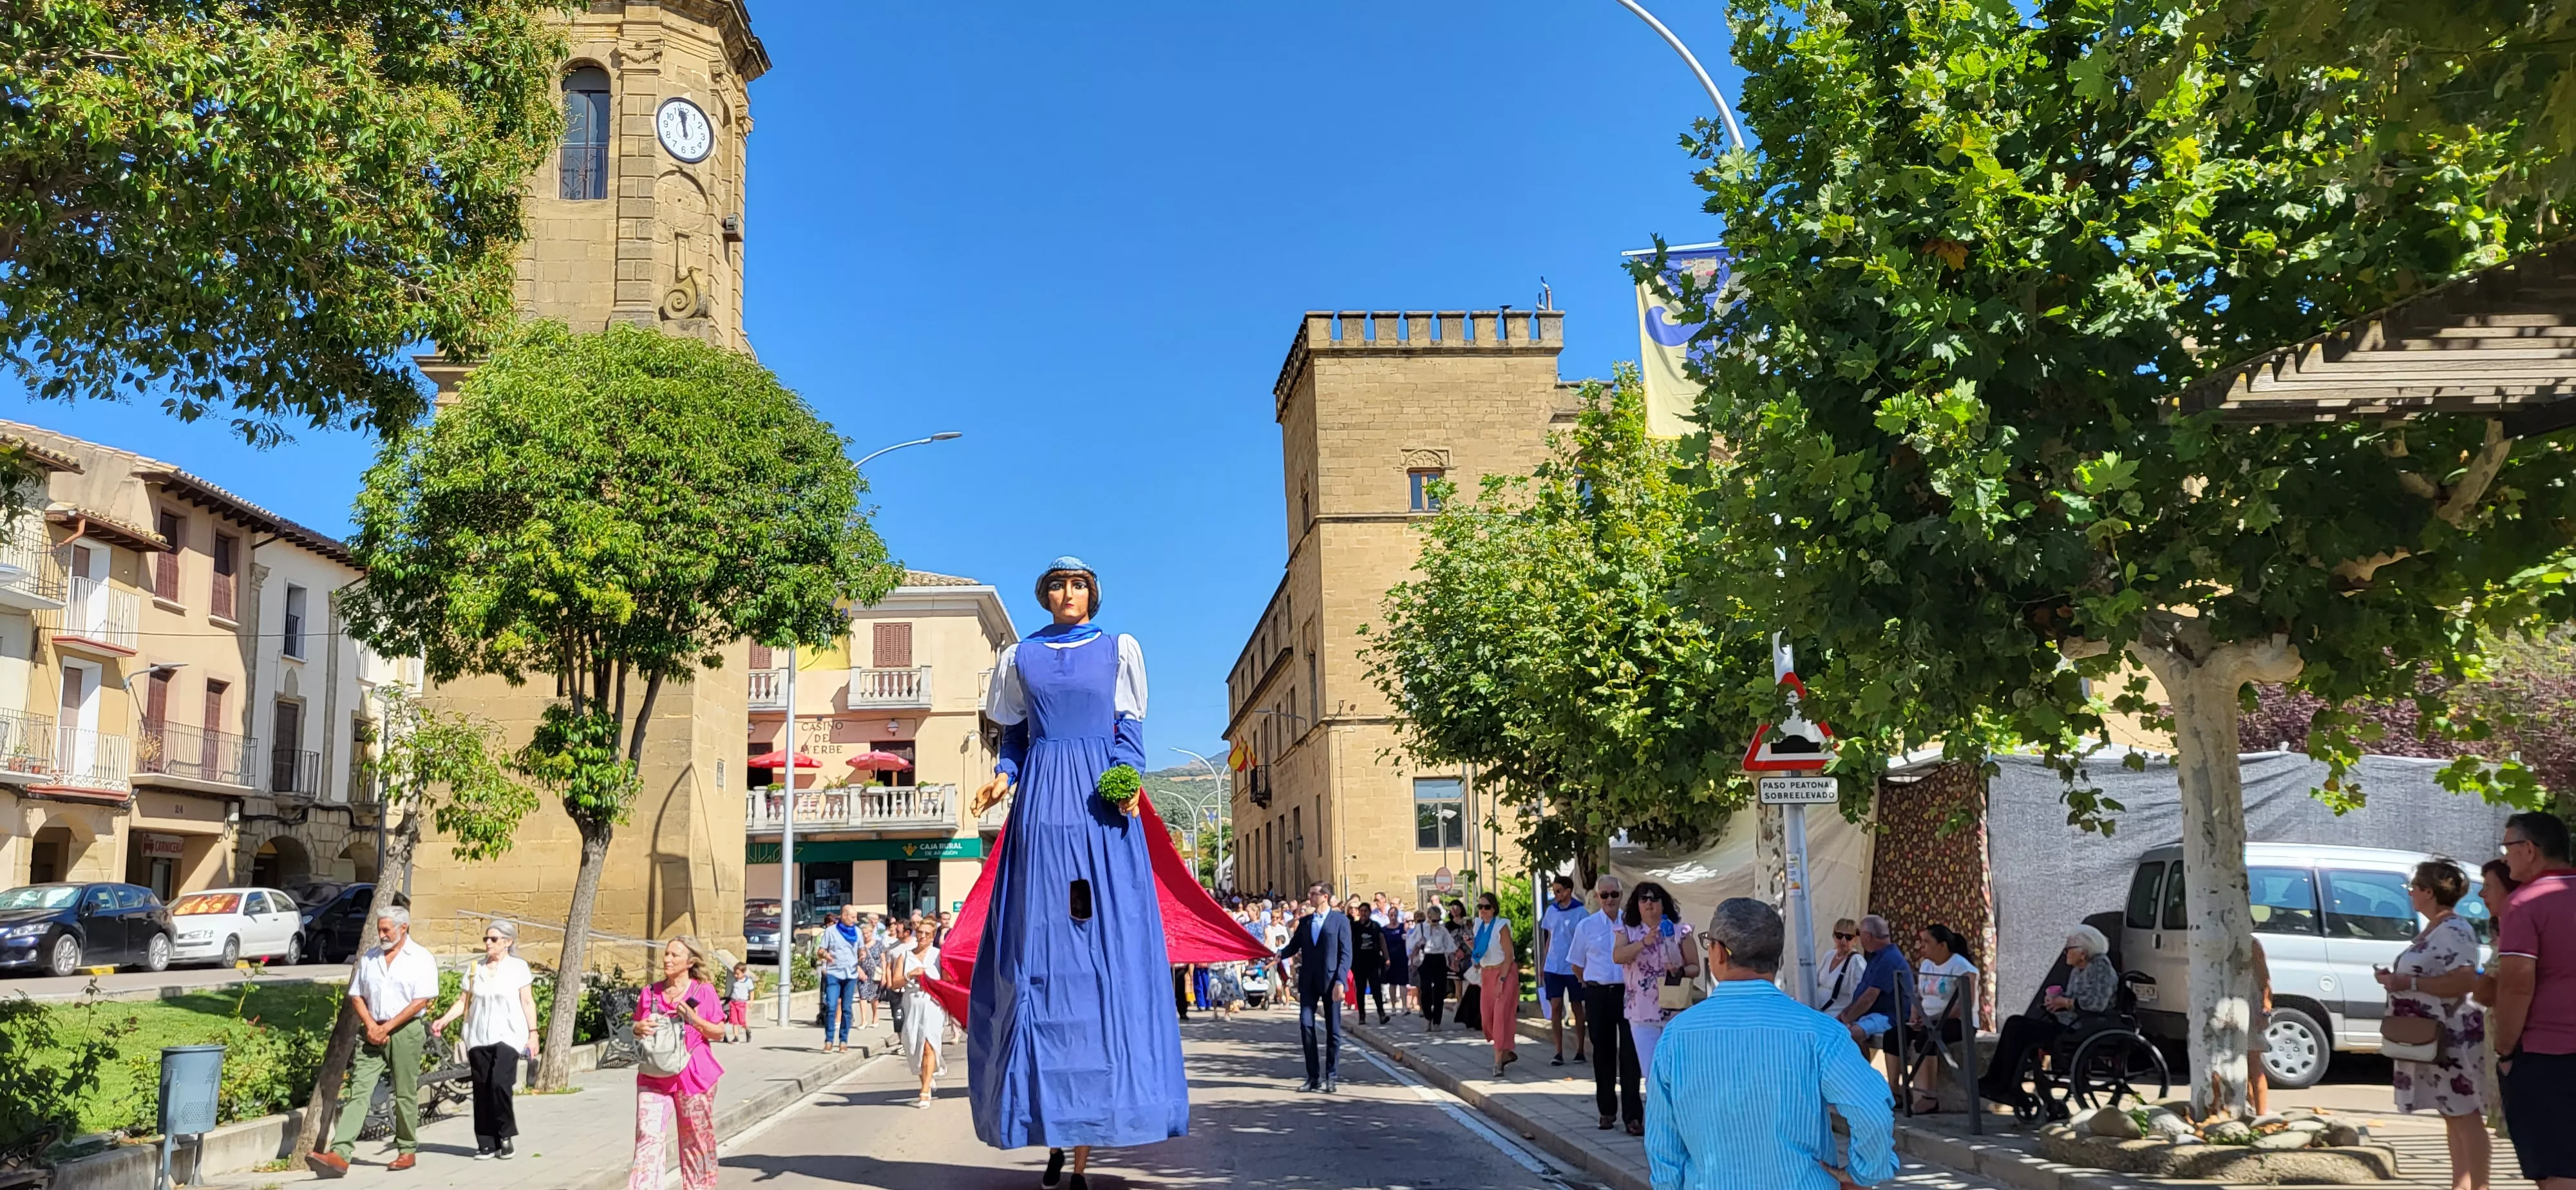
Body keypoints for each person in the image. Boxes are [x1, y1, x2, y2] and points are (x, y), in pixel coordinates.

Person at [938, 558, 1267, 1190]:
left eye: (1078, 585)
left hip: (1100, 804)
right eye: (1057, 585)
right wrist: (1002, 779)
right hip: (1041, 804)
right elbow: (1014, 740)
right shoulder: (1019, 657)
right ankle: (1051, 1128)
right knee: (1035, 950)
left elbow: (1129, 733)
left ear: (1092, 594)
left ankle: (1085, 1143)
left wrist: (1127, 783)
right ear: (1045, 596)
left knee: (1101, 947)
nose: (1067, 593)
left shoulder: (1118, 650)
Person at [1647, 898, 1895, 1190]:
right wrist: (1865, 1172)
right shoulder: (1820, 1033)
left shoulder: (1677, 1036)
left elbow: (1663, 1143)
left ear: (1719, 953)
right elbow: (1872, 1109)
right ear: (1776, 957)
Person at [2370, 858, 2489, 1190]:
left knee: (2464, 1114)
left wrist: (2407, 983)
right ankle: (2460, 1185)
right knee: (2452, 1113)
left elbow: (2464, 980)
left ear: (2428, 891)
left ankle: (2479, 1186)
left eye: (2413, 888)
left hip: (2450, 1034)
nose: (2410, 893)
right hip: (2434, 1034)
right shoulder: (2438, 927)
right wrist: (2397, 981)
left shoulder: (2453, 929)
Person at [306, 905, 439, 1177]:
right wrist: (371, 1026)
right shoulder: (370, 957)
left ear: (404, 928)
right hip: (372, 1030)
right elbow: (357, 995)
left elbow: (421, 1001)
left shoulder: (421, 958)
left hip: (405, 1031)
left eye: (386, 930)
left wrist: (387, 1027)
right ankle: (340, 1155)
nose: (381, 935)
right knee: (359, 1090)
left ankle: (406, 1149)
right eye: (380, 929)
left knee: (405, 1092)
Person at [2494, 810, 2576, 1190]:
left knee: (2557, 1169)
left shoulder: (2526, 902)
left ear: (2529, 849)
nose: (2504, 857)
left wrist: (2505, 1049)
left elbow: (2516, 985)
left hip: (2548, 1053)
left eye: (2507, 847)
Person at [1978, 925, 2119, 1113]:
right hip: (2068, 1023)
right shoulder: (2078, 969)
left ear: (2083, 952)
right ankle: (1997, 1081)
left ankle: (2004, 1085)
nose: (2065, 953)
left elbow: (2096, 1003)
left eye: (2069, 948)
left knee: (2019, 1030)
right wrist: (2055, 1001)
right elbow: (2072, 998)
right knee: (2014, 1022)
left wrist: (2064, 1002)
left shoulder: (2100, 967)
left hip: (2084, 1027)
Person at [430, 918, 539, 1160]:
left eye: (494, 939)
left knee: (499, 1084)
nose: (488, 943)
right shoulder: (475, 969)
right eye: (486, 939)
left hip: (509, 1036)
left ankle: (505, 1136)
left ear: (508, 942)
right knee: (481, 1089)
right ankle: (486, 1142)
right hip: (478, 1036)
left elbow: (527, 1001)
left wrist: (533, 1034)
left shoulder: (518, 968)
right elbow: (463, 1002)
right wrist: (444, 1020)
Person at [629, 936, 724, 1190]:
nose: (668, 959)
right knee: (648, 1138)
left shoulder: (703, 991)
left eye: (675, 955)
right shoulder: (650, 993)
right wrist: (637, 1028)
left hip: (693, 1075)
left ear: (690, 962)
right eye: (667, 954)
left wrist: (694, 1019)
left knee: (696, 1140)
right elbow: (636, 1025)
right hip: (654, 1075)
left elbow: (719, 1032)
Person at [1611, 882, 1696, 1113]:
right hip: (1642, 1013)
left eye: (1654, 898)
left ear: (1663, 903)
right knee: (1651, 1072)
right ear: (1637, 904)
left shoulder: (1680, 930)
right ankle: (1659, 1120)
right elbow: (1618, 956)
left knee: (1676, 1071)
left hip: (1675, 1010)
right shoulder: (1627, 931)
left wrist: (1679, 971)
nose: (1649, 903)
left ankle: (1680, 1118)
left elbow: (1695, 967)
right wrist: (1643, 943)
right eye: (1644, 899)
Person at [1571, 875, 1638, 1133]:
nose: (1610, 899)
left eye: (1615, 894)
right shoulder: (1586, 926)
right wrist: (1590, 984)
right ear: (1597, 897)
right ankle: (1607, 1111)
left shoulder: (1632, 924)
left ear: (1621, 896)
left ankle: (1633, 1117)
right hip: (1598, 993)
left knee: (1630, 1053)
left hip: (1628, 992)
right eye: (1605, 895)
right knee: (1603, 1053)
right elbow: (1577, 963)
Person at [1277, 882, 1354, 1093]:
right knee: (1306, 1025)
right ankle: (1313, 1077)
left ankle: (1331, 1076)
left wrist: (1341, 981)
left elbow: (1346, 953)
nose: (1310, 897)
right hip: (1309, 981)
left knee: (1333, 1030)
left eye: (1313, 894)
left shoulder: (1340, 921)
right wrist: (1279, 954)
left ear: (1325, 897)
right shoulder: (1306, 921)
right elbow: (1294, 946)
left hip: (1331, 981)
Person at [1904, 923, 1978, 1113]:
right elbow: (1918, 994)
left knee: (1927, 1038)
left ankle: (1929, 1097)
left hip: (1957, 1022)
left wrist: (1933, 1019)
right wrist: (1916, 1014)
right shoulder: (1926, 965)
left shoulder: (1962, 967)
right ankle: (1898, 1093)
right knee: (1894, 1035)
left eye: (1927, 942)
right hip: (1928, 1019)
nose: (1921, 947)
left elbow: (1965, 1006)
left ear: (1942, 945)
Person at [2475, 858, 2523, 1140]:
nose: (2482, 894)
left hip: (2514, 1045)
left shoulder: (2516, 933)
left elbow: (2486, 992)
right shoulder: (2505, 929)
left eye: (2489, 886)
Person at [1839, 914, 1911, 1073]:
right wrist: (1845, 1015)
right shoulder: (1879, 956)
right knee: (1840, 1030)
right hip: (1874, 1014)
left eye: (1859, 933)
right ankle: (1863, 1076)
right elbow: (1863, 992)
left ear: (1869, 936)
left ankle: (1865, 1077)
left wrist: (1847, 1019)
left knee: (1848, 1034)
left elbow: (1869, 998)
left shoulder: (1889, 959)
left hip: (1890, 1016)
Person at [894, 916, 947, 1108]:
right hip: (913, 1003)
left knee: (928, 1045)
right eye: (921, 932)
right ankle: (926, 1077)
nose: (923, 936)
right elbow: (895, 983)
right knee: (913, 1046)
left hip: (933, 1004)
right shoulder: (905, 956)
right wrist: (910, 975)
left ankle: (925, 1092)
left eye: (927, 933)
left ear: (933, 936)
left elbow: (948, 982)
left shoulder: (939, 956)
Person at [1538, 874, 1590, 1066]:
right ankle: (1558, 1051)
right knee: (1556, 1006)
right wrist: (1544, 963)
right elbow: (1549, 938)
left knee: (1577, 1006)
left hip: (1573, 967)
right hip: (1553, 966)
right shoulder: (1551, 910)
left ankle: (1580, 1050)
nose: (1556, 895)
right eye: (1554, 891)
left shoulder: (1581, 912)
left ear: (1568, 891)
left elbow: (1585, 942)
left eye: (1559, 891)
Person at [1470, 890, 1522, 1078]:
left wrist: (1502, 980)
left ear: (1494, 909)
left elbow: (1509, 956)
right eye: (1480, 907)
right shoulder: (1478, 927)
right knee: (1487, 1019)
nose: (1483, 910)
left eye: (1487, 907)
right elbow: (1480, 952)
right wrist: (1472, 950)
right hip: (1487, 974)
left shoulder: (1501, 926)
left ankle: (1498, 1061)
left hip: (1504, 973)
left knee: (1500, 1017)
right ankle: (1505, 1050)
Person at [817, 903, 862, 1053]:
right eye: (853, 917)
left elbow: (862, 949)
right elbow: (820, 951)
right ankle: (829, 1040)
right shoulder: (831, 931)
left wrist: (862, 954)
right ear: (844, 915)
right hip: (834, 974)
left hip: (851, 974)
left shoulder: (858, 932)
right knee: (831, 1007)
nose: (855, 920)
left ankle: (843, 1041)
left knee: (847, 1009)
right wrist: (826, 955)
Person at [1412, 900, 1456, 1029]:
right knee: (1425, 989)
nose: (1436, 923)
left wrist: (1452, 961)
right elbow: (1411, 944)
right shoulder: (1421, 928)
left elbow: (1450, 946)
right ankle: (1427, 1017)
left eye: (1438, 920)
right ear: (1429, 917)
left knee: (1439, 990)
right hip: (1426, 959)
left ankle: (1437, 1021)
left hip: (1439, 959)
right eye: (1434, 920)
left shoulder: (1442, 930)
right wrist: (1415, 950)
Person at [1349, 900, 1388, 1023]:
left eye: (1366, 911)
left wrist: (1387, 957)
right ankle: (1362, 1016)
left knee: (1376, 988)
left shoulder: (1375, 926)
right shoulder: (1354, 927)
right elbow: (1349, 943)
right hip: (1359, 962)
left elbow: (1382, 941)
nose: (1364, 913)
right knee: (1360, 989)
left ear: (1370, 912)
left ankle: (1381, 1014)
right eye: (1362, 911)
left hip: (1373, 961)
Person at [1818, 918, 1864, 1019]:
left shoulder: (1857, 962)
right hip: (1818, 1013)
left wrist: (1846, 1018)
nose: (1843, 941)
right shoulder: (1829, 955)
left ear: (1855, 940)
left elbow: (1860, 997)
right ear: (1834, 937)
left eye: (1848, 937)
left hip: (1836, 1018)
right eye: (1839, 936)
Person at [855, 915, 887, 1037]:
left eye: (868, 933)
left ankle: (875, 1016)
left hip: (875, 974)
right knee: (863, 996)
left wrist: (884, 975)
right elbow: (854, 959)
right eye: (864, 934)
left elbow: (883, 960)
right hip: (863, 974)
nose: (866, 935)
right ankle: (864, 1021)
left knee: (874, 997)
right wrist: (859, 968)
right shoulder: (859, 945)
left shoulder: (879, 943)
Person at [1381, 909, 1411, 1018]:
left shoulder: (1403, 927)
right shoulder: (1384, 930)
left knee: (1403, 983)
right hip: (1390, 959)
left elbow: (1409, 940)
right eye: (1391, 915)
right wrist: (1385, 958)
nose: (1393, 917)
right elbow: (1382, 945)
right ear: (1388, 916)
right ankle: (1393, 1007)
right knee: (1392, 984)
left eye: (1395, 915)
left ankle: (1404, 1006)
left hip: (1402, 958)